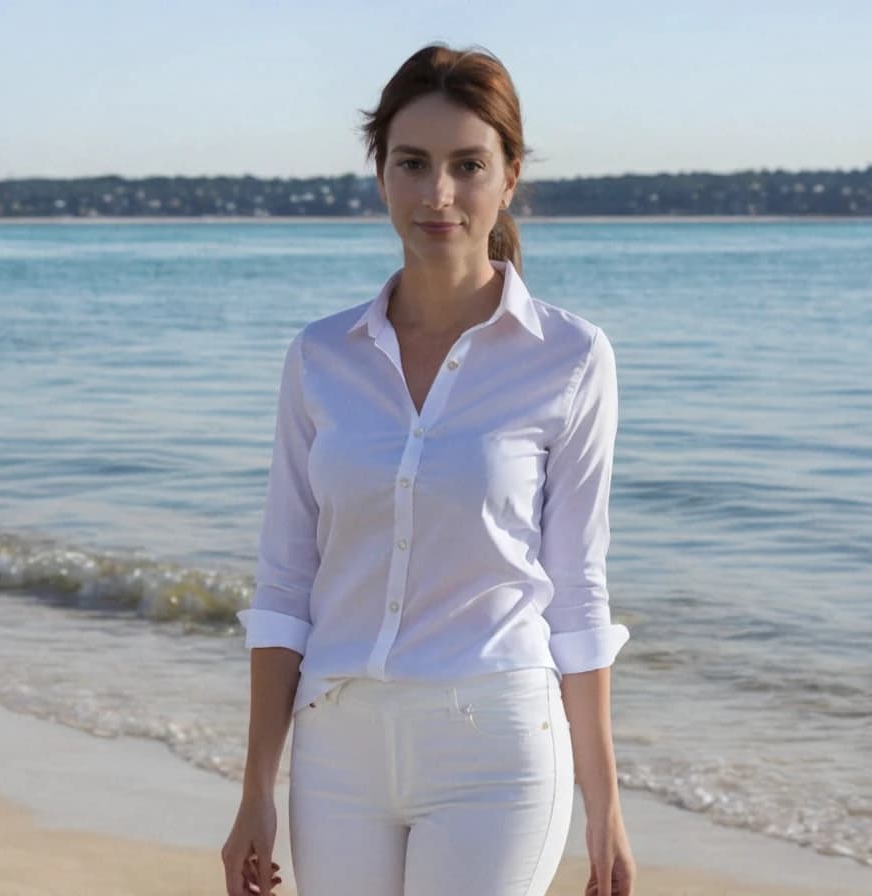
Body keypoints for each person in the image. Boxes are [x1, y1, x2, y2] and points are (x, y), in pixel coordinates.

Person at [222, 43, 636, 896]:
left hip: (497, 746)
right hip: (337, 749)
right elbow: (283, 584)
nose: (437, 194)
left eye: (467, 165)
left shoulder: (570, 357)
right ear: (381, 176)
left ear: (509, 176)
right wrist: (257, 789)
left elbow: (578, 591)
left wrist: (606, 808)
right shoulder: (320, 357)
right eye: (412, 164)